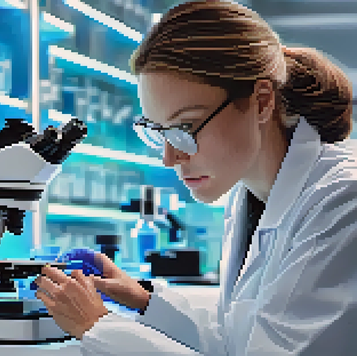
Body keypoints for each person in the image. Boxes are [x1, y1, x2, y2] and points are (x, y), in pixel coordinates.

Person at [34, 1, 356, 355]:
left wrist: (98, 328)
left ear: (262, 101)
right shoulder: (247, 195)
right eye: (161, 132)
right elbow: (238, 343)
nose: (171, 157)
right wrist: (144, 301)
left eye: (186, 127)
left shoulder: (343, 200)